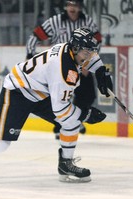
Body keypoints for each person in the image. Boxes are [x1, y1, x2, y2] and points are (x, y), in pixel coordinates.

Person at [0, 28, 113, 183]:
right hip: (18, 92)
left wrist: (100, 71)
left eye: (91, 52)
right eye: (86, 53)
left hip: (40, 91)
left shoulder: (69, 49)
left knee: (71, 122)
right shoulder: (65, 71)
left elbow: (89, 56)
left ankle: (65, 165)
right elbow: (60, 110)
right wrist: (86, 115)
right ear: (75, 48)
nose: (89, 56)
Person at [26, 0, 103, 139]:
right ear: (66, 6)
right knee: (60, 98)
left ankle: (76, 120)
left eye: (75, 5)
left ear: (80, 7)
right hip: (60, 68)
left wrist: (89, 62)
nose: (72, 8)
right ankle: (61, 126)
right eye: (69, 5)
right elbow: (35, 36)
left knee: (89, 95)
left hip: (81, 66)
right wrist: (30, 55)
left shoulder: (88, 22)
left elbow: (97, 41)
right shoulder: (55, 21)